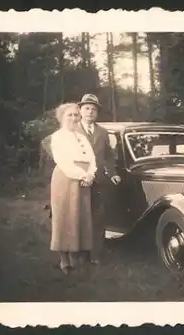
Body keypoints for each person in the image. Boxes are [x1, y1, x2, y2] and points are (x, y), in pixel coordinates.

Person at [49, 103, 97, 275]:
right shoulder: (57, 137)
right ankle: (64, 260)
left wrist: (91, 174)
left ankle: (75, 257)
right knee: (65, 216)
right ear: (62, 117)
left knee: (79, 217)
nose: (74, 118)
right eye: (69, 115)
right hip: (66, 178)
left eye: (76, 115)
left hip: (84, 181)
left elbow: (92, 159)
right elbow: (63, 161)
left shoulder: (82, 137)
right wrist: (82, 175)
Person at [76, 93, 121, 266]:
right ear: (80, 110)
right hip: (78, 179)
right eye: (86, 108)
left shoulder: (103, 132)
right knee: (79, 215)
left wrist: (113, 173)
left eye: (93, 109)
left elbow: (109, 156)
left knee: (99, 216)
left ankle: (96, 254)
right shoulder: (73, 130)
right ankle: (80, 252)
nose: (90, 112)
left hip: (100, 180)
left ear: (97, 113)